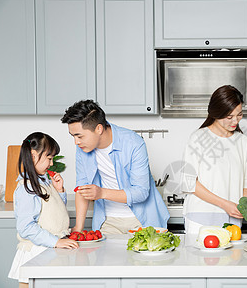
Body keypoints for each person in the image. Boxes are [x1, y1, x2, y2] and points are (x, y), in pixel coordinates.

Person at [61, 100, 169, 235]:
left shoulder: (133, 143)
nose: (76, 142)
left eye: (79, 136)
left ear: (98, 129)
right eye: (73, 136)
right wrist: (78, 227)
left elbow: (141, 192)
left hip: (141, 220)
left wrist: (101, 193)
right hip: (107, 221)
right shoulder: (83, 148)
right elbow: (82, 189)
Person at [180, 85, 247, 235]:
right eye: (229, 117)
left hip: (231, 221)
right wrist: (225, 204)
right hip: (200, 218)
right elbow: (190, 184)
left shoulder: (243, 142)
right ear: (216, 113)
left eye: (239, 115)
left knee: (232, 259)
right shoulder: (198, 138)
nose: (235, 121)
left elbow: (245, 185)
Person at [8, 132, 78, 287]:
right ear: (34, 155)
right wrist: (56, 241)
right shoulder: (27, 188)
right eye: (49, 158)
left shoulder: (43, 182)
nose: (52, 164)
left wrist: (59, 191)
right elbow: (26, 227)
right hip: (36, 255)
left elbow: (52, 213)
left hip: (49, 251)